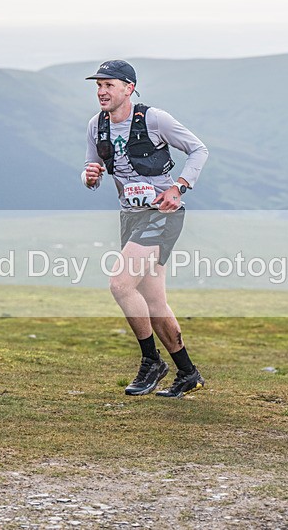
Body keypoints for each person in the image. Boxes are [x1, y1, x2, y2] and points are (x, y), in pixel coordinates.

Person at [82, 60, 209, 398]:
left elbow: (198, 150)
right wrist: (90, 176)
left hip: (163, 214)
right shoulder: (96, 126)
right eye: (98, 85)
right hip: (131, 217)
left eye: (109, 85)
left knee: (120, 284)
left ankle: (151, 361)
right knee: (154, 304)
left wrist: (178, 186)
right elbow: (90, 169)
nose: (101, 91)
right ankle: (188, 373)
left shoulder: (154, 119)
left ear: (129, 88)